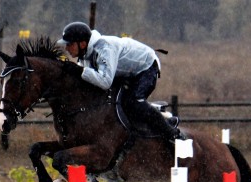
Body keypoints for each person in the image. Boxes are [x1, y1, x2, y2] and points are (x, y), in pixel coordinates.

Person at [57, 22, 186, 143]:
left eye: (70, 44)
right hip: (127, 72)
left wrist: (79, 71)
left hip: (147, 67)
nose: (67, 48)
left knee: (133, 101)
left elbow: (104, 81)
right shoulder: (85, 56)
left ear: (83, 44)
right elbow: (89, 79)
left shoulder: (104, 48)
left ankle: (171, 131)